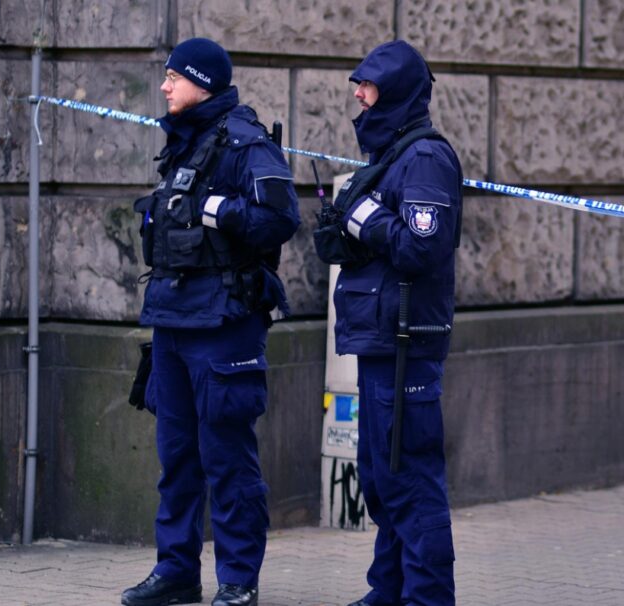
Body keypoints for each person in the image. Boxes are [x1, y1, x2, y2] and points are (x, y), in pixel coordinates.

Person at [121, 37, 300, 606]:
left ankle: (238, 580)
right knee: (176, 458)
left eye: (174, 76)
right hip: (173, 321)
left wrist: (222, 210)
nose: (165, 85)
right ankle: (176, 571)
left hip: (224, 323)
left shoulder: (246, 143)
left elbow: (280, 219)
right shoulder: (183, 143)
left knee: (227, 459)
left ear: (202, 82)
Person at [327, 40, 462, 606]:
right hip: (380, 340)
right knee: (384, 483)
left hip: (408, 343)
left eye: (369, 85)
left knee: (411, 483)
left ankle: (428, 599)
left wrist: (365, 221)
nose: (359, 95)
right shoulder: (392, 154)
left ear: (397, 91)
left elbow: (421, 249)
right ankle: (387, 592)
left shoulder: (426, 158)